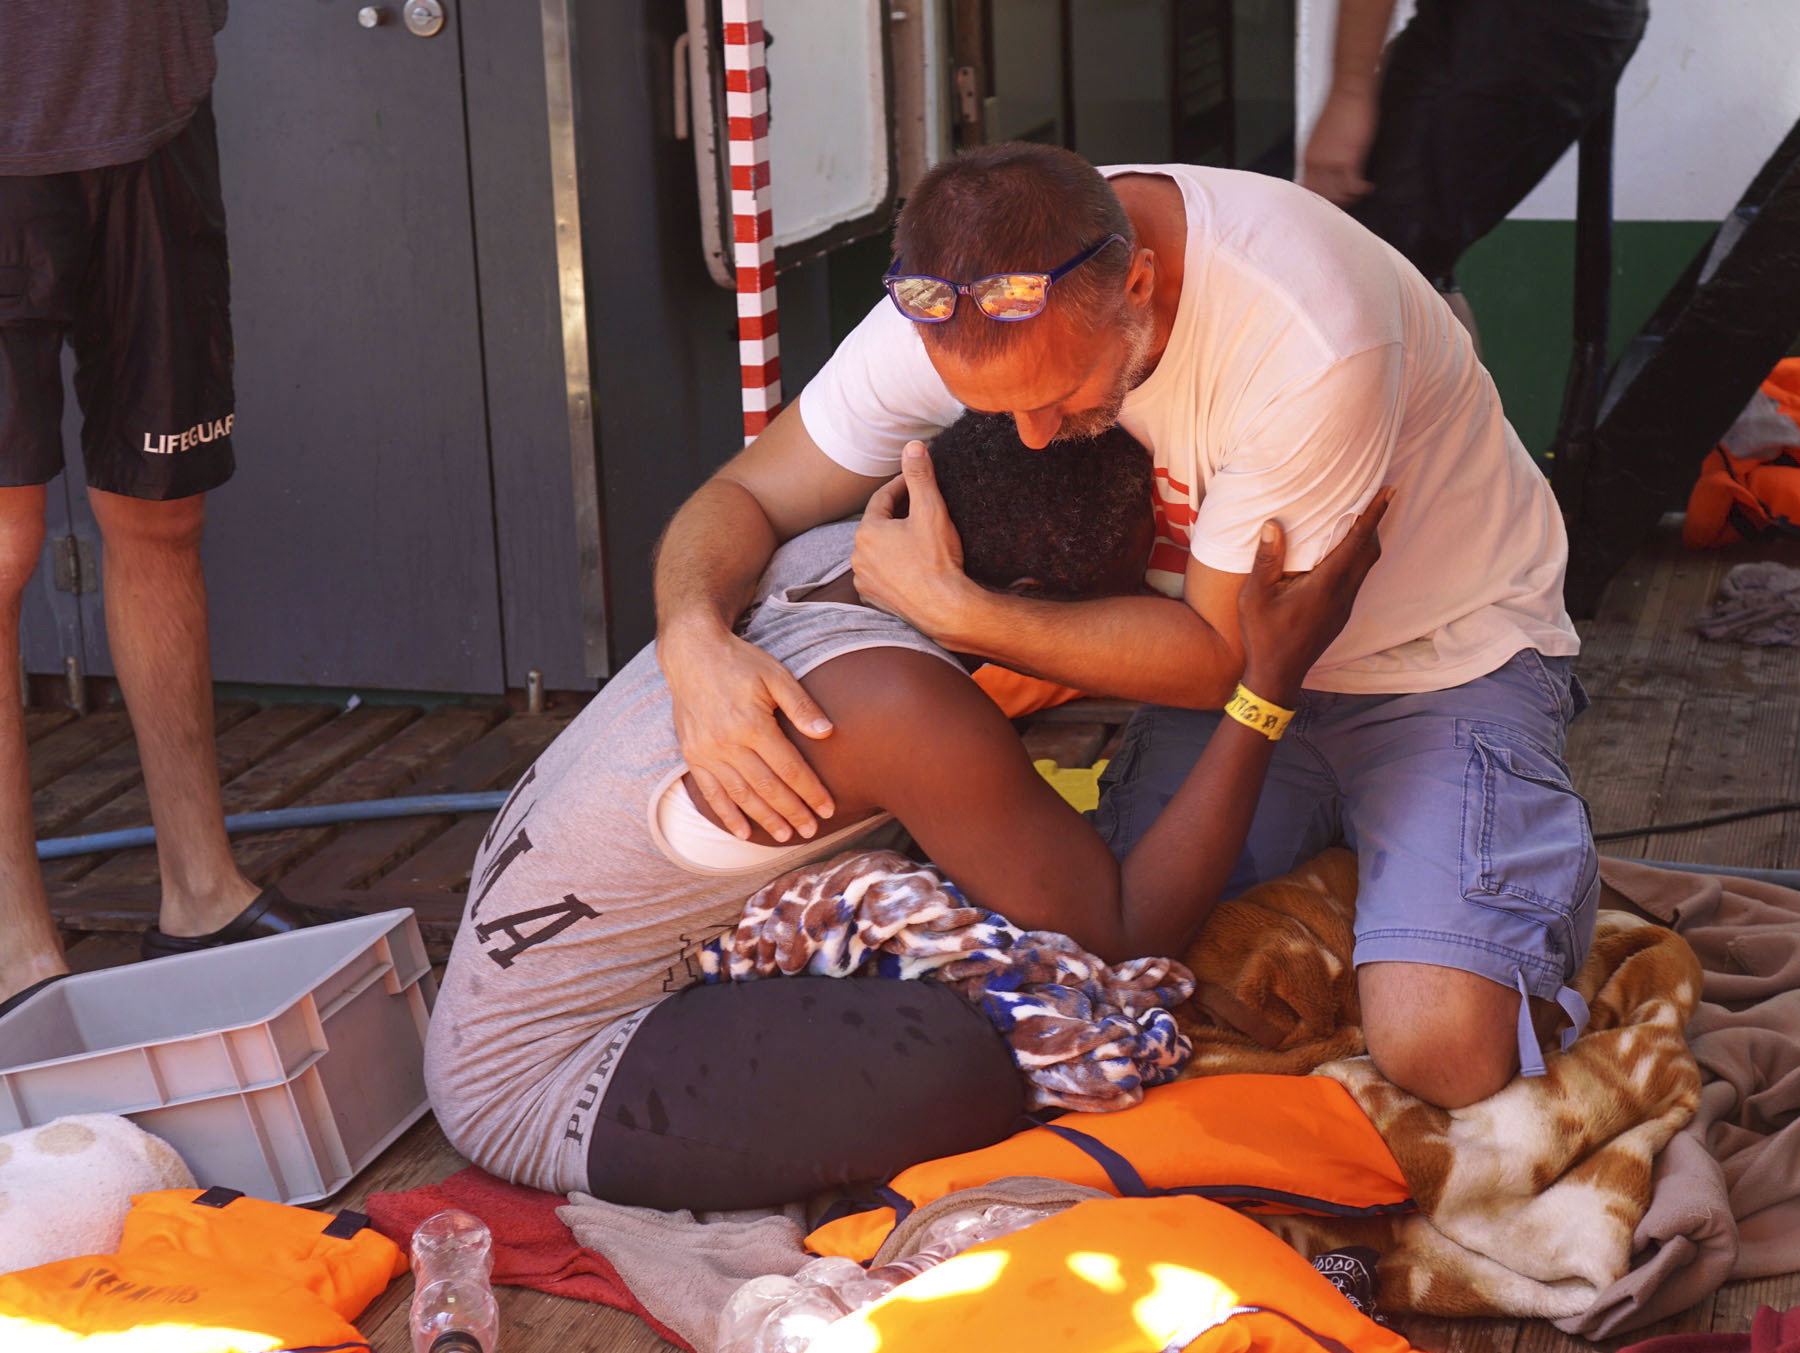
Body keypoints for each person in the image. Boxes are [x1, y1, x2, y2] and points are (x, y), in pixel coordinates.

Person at [652, 143, 1597, 1112]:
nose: (1027, 433)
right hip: (1235, 674)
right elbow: (746, 494)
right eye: (991, 410)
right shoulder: (966, 302)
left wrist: (958, 611)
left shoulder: (1309, 332)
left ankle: (1491, 887)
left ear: (1137, 281)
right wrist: (692, 640)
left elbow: (1219, 659)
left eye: (1058, 397)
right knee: (1095, 972)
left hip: (1437, 663)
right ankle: (1386, 882)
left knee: (1444, 1051)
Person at [425, 413, 1386, 1211]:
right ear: (1027, 603)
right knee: (961, 1068)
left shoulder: (830, 551)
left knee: (989, 898)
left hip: (529, 992)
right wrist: (1267, 681)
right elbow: (1121, 933)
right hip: (548, 1082)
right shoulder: (903, 708)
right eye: (1121, 603)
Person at [0, 0, 353, 1018]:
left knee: (160, 513)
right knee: (6, 547)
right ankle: (17, 943)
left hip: (150, 116)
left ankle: (201, 893)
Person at [1300, 0, 1648, 343]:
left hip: (1525, 19)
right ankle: (1460, 399)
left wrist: (1348, 94)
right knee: (1401, 268)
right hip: (1484, 19)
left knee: (1363, 263)